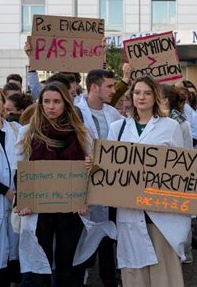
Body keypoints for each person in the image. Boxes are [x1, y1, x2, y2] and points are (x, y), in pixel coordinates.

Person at [101, 76, 190, 287]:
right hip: (130, 210)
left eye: (147, 93)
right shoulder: (117, 128)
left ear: (156, 97)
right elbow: (109, 169)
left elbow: (181, 167)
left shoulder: (170, 126)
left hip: (160, 212)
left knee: (164, 269)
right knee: (134, 271)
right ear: (131, 97)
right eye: (138, 92)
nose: (142, 97)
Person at [14, 82, 90, 286]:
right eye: (46, 101)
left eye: (56, 101)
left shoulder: (81, 133)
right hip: (39, 210)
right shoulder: (28, 133)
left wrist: (86, 199)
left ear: (66, 104)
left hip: (71, 210)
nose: (51, 106)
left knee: (66, 267)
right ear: (40, 105)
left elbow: (90, 172)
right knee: (41, 267)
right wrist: (23, 199)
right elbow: (19, 171)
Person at [74, 69, 122, 287]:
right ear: (95, 87)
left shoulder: (114, 114)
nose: (113, 91)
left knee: (107, 234)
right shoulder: (75, 111)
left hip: (109, 185)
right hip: (82, 183)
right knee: (81, 235)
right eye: (110, 86)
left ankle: (109, 278)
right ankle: (80, 277)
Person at [0, 86, 21, 287]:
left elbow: (25, 161)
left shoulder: (15, 129)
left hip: (16, 202)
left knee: (14, 257)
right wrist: (6, 191)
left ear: (3, 103)